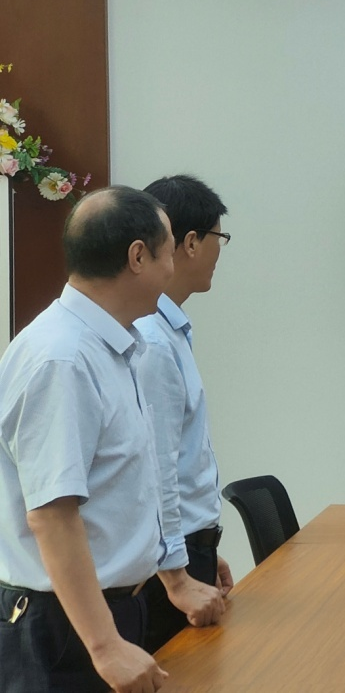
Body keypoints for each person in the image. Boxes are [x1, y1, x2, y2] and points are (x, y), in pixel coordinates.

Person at [0, 187, 222, 693]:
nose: (173, 267)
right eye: (168, 252)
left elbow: (126, 481)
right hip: (67, 629)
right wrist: (104, 646)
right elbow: (52, 515)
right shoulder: (62, 358)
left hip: (112, 609)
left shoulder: (112, 346)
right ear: (138, 257)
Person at [134, 175, 235, 652]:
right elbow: (157, 471)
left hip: (187, 548)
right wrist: (177, 572)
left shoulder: (168, 329)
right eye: (220, 237)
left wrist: (202, 550)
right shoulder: (152, 341)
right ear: (191, 242)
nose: (220, 251)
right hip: (168, 565)